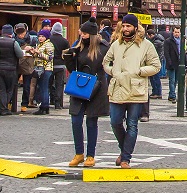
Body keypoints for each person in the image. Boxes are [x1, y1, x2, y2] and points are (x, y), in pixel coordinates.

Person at [103, 13, 160, 168]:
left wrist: (140, 71)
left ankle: (126, 158)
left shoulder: (146, 45)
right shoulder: (116, 44)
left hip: (136, 88)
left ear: (136, 27)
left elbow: (156, 66)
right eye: (124, 26)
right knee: (115, 121)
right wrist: (113, 71)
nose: (126, 29)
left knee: (132, 124)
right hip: (118, 88)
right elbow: (106, 62)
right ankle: (124, 150)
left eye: (129, 26)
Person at [63, 20, 109, 168]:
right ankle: (79, 154)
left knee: (91, 121)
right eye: (81, 33)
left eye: (85, 33)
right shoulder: (78, 46)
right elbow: (72, 68)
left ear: (93, 34)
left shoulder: (103, 48)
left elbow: (108, 67)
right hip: (80, 85)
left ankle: (90, 155)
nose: (82, 35)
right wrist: (69, 57)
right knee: (76, 120)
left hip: (96, 87)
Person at [0, 25, 23, 115]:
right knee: (9, 89)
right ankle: (5, 107)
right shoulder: (13, 42)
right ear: (11, 33)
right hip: (11, 69)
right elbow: (20, 55)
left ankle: (2, 108)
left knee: (1, 89)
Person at [32, 28, 55, 115]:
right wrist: (32, 52)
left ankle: (45, 106)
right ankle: (43, 106)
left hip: (46, 69)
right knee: (41, 87)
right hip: (39, 68)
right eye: (39, 36)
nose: (40, 38)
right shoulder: (40, 44)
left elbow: (50, 57)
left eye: (43, 36)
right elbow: (36, 56)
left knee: (44, 88)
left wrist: (38, 53)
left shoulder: (48, 44)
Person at [49, 22, 69, 110]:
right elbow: (67, 53)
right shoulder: (64, 41)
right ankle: (58, 103)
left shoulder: (49, 39)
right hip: (61, 65)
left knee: (48, 83)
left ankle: (50, 100)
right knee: (59, 84)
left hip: (50, 64)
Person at [164, 27, 181, 102]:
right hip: (171, 63)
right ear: (173, 32)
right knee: (172, 80)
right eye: (175, 32)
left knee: (176, 80)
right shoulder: (168, 41)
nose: (177, 34)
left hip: (178, 63)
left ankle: (171, 94)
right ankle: (172, 95)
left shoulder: (181, 41)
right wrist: (169, 62)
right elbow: (166, 53)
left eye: (178, 32)